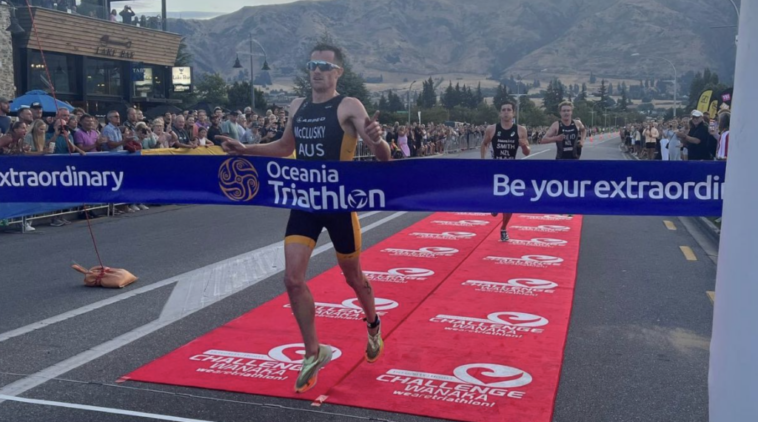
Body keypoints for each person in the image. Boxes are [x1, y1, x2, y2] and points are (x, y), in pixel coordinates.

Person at [220, 43, 391, 394]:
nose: (317, 71)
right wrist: (246, 149)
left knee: (354, 277)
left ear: (337, 73)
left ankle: (373, 323)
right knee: (292, 279)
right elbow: (285, 148)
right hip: (305, 201)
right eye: (313, 65)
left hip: (340, 204)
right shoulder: (297, 105)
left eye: (325, 67)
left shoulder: (349, 106)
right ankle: (314, 351)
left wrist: (378, 141)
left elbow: (383, 157)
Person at [481, 100, 530, 241]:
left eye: (509, 110)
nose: (506, 112)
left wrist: (524, 147)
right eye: (504, 109)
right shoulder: (492, 129)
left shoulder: (521, 130)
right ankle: (494, 203)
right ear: (500, 113)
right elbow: (484, 144)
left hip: (511, 169)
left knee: (510, 202)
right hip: (495, 168)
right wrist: (482, 161)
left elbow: (527, 152)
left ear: (513, 113)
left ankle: (503, 228)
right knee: (496, 199)